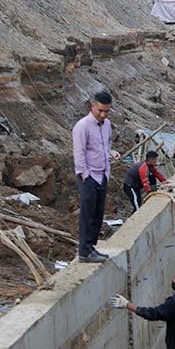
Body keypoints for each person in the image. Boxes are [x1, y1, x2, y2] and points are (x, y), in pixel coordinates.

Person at [72, 91, 119, 263]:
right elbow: (79, 152)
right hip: (89, 176)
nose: (103, 114)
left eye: (106, 111)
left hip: (103, 174)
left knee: (98, 213)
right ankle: (84, 251)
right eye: (100, 110)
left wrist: (110, 156)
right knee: (88, 214)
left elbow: (106, 145)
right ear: (92, 106)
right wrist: (85, 175)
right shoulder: (82, 126)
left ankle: (92, 247)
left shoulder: (107, 125)